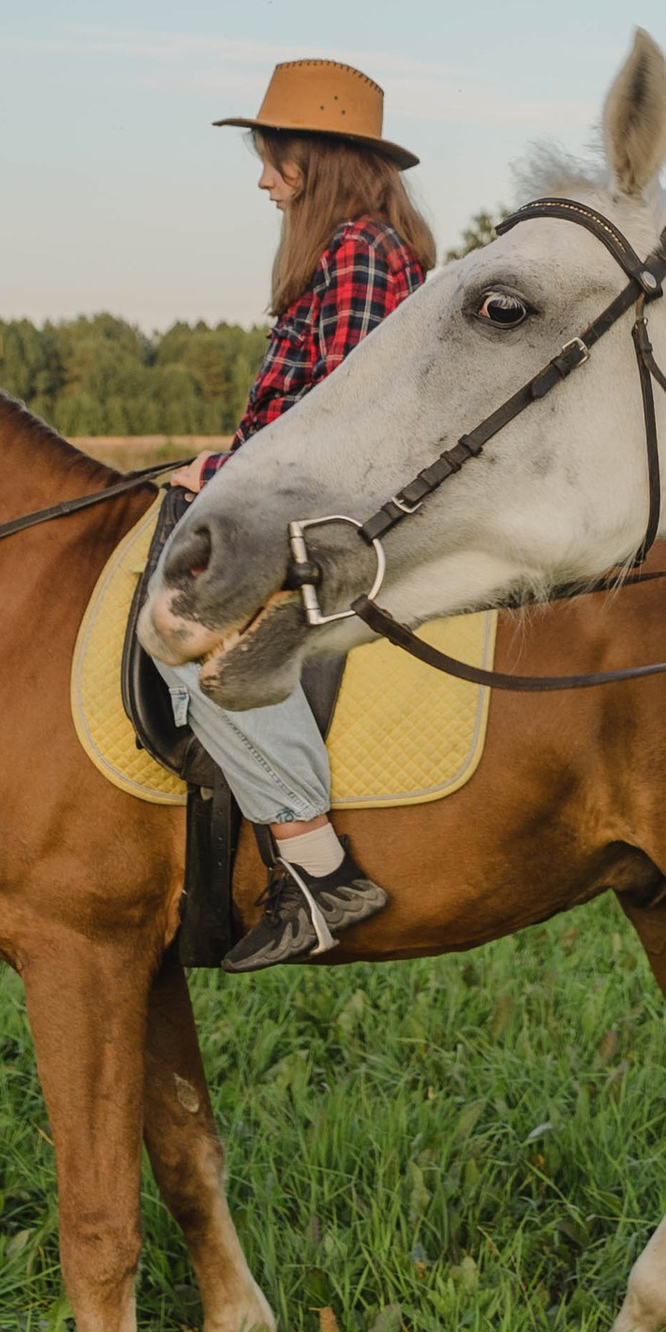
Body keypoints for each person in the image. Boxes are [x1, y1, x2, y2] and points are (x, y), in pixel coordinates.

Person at [148, 58, 434, 971]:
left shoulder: (361, 253)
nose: (265, 180)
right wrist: (219, 465)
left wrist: (231, 477)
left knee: (192, 640)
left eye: (275, 160)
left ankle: (318, 868)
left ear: (317, 160)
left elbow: (341, 423)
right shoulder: (352, 252)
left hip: (334, 518)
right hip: (288, 495)